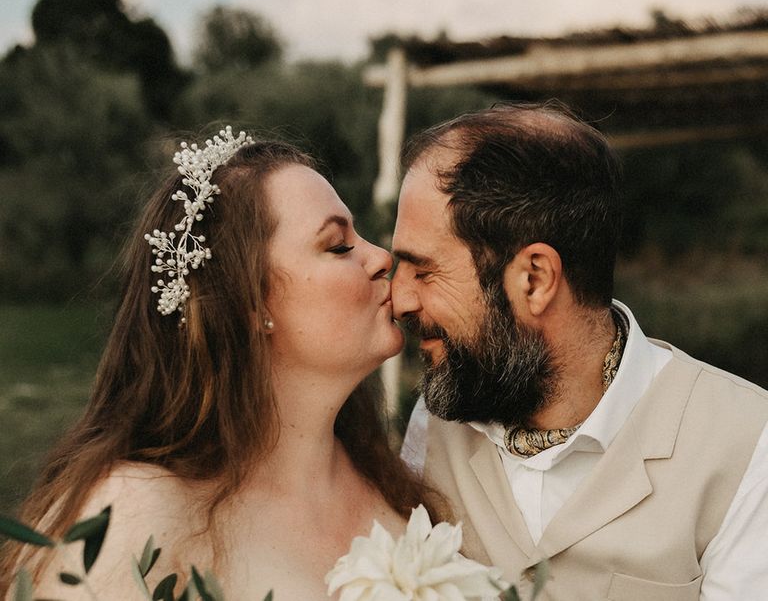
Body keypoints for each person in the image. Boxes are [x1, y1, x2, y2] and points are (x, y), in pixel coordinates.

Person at [1, 127, 440, 599]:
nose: (380, 258)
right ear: (247, 304)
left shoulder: (399, 480)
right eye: (337, 246)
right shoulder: (135, 515)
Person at [391, 103, 768, 600]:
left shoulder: (747, 445)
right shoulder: (434, 423)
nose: (399, 299)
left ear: (535, 279)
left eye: (423, 271)